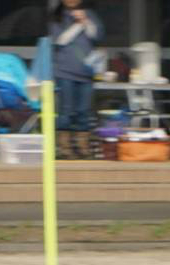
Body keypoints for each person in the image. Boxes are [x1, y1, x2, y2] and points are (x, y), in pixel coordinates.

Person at [49, 0, 103, 160]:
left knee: (84, 111)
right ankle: (64, 148)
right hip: (65, 71)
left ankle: (83, 148)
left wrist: (86, 21)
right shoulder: (57, 16)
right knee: (66, 110)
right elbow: (60, 40)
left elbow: (97, 36)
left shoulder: (90, 14)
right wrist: (78, 24)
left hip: (86, 73)